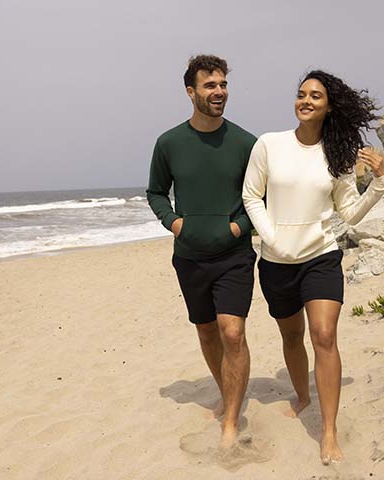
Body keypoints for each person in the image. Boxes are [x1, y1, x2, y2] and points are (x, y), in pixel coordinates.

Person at [242, 70, 384, 464]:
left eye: (315, 96)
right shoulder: (269, 145)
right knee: (292, 337)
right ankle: (303, 395)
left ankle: (329, 432)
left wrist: (378, 181)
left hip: (321, 257)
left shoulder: (336, 157)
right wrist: (271, 237)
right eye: (301, 94)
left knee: (323, 336)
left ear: (328, 106)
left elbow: (351, 214)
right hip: (276, 263)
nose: (305, 100)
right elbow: (251, 196)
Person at [146, 55, 257, 450]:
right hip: (189, 256)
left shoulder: (246, 142)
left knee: (233, 331)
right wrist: (176, 223)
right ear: (191, 92)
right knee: (207, 331)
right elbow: (156, 192)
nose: (219, 92)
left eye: (223, 84)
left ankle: (231, 419)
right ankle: (228, 393)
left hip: (234, 254)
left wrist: (238, 227)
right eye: (210, 86)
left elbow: (258, 197)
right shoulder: (169, 143)